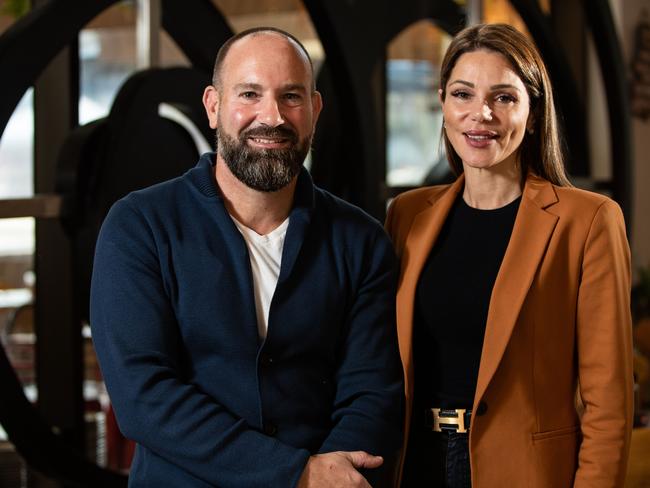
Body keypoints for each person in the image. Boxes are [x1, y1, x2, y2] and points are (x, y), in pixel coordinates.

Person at [91, 27, 403, 488]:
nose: (271, 116)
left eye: (291, 96)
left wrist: (334, 477)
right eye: (250, 94)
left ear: (315, 111)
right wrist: (296, 475)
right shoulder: (139, 226)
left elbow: (372, 391)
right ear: (213, 107)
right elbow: (143, 396)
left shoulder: (361, 240)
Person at [385, 23, 633, 487]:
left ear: (533, 112)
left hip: (525, 473)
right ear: (443, 103)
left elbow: (609, 407)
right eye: (463, 94)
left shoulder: (589, 221)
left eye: (504, 97)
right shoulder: (408, 214)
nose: (480, 114)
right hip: (414, 464)